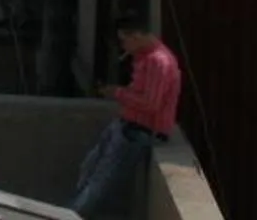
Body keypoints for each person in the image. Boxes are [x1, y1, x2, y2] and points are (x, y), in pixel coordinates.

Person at [68, 15, 180, 218]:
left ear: (136, 36)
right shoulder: (144, 58)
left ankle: (73, 215)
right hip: (126, 125)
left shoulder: (158, 61)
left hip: (139, 131)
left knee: (100, 182)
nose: (123, 47)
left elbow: (151, 104)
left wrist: (118, 93)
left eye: (124, 41)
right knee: (89, 168)